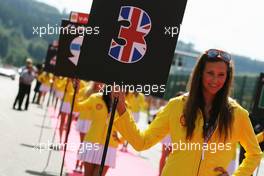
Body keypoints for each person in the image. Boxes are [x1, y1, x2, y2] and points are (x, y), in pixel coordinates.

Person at [113, 49, 262, 176]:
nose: (215, 79)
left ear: (227, 77)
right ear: (200, 73)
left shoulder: (237, 114)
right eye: (210, 73)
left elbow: (254, 154)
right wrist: (121, 109)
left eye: (221, 74)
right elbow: (142, 142)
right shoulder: (177, 106)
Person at [77, 90, 122, 176]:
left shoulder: (124, 105)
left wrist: (121, 139)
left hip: (109, 146)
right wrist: (76, 91)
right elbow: (76, 107)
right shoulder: (96, 98)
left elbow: (129, 125)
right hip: (92, 141)